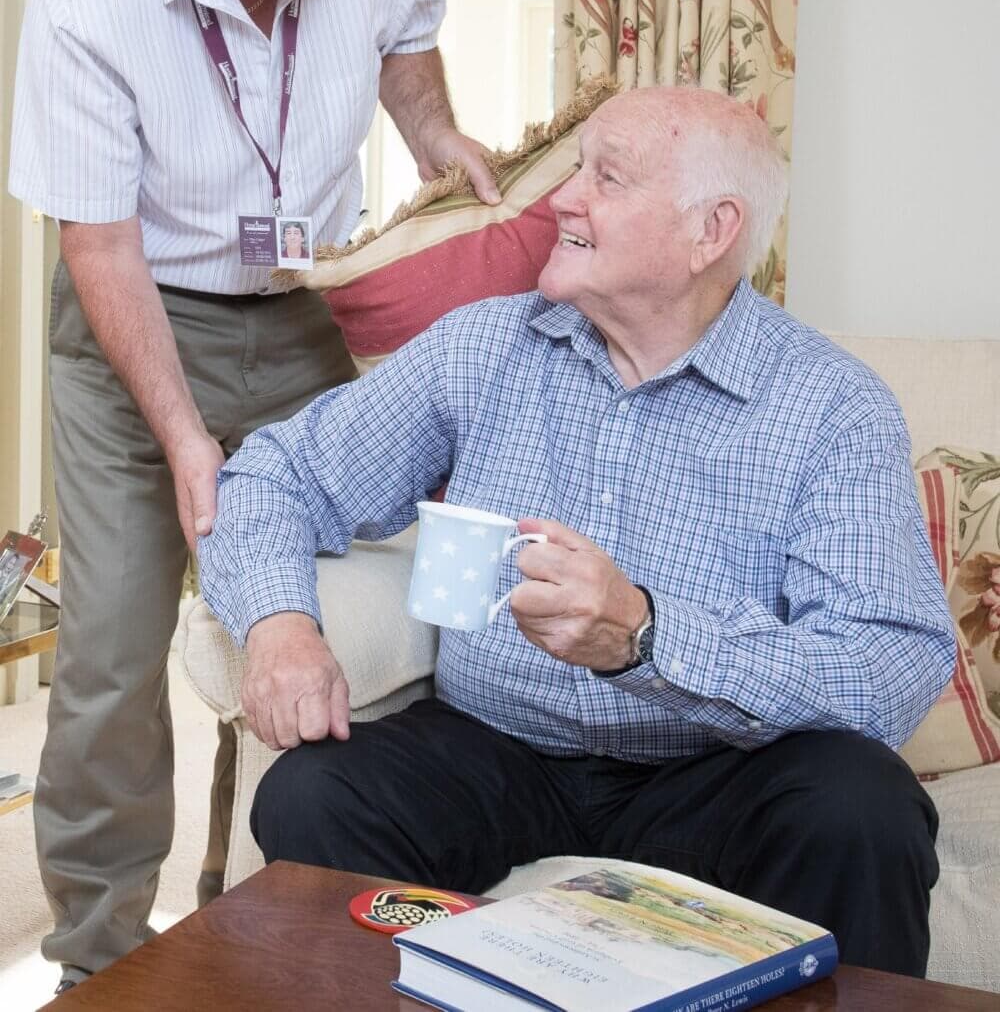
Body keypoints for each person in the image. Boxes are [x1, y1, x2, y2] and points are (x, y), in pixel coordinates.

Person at [200, 87, 955, 978]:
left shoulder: (832, 407)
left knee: (862, 809)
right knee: (314, 795)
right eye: (575, 171)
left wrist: (648, 636)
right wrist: (280, 623)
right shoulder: (485, 347)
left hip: (718, 767)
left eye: (607, 177)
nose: (562, 199)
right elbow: (274, 473)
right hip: (498, 747)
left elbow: (887, 665)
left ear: (710, 230)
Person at [7, 0, 498, 994]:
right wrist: (181, 439)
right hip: (137, 322)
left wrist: (440, 144)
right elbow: (100, 249)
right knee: (112, 649)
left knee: (333, 605)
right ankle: (99, 956)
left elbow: (406, 60)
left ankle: (293, 917)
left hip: (305, 306)